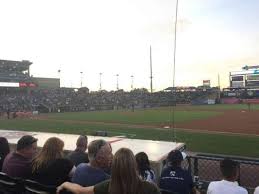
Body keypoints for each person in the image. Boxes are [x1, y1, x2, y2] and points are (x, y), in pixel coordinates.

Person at [57, 148, 161, 194]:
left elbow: (80, 191)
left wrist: (66, 183)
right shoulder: (150, 188)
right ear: (134, 165)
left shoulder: (108, 186)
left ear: (114, 166)